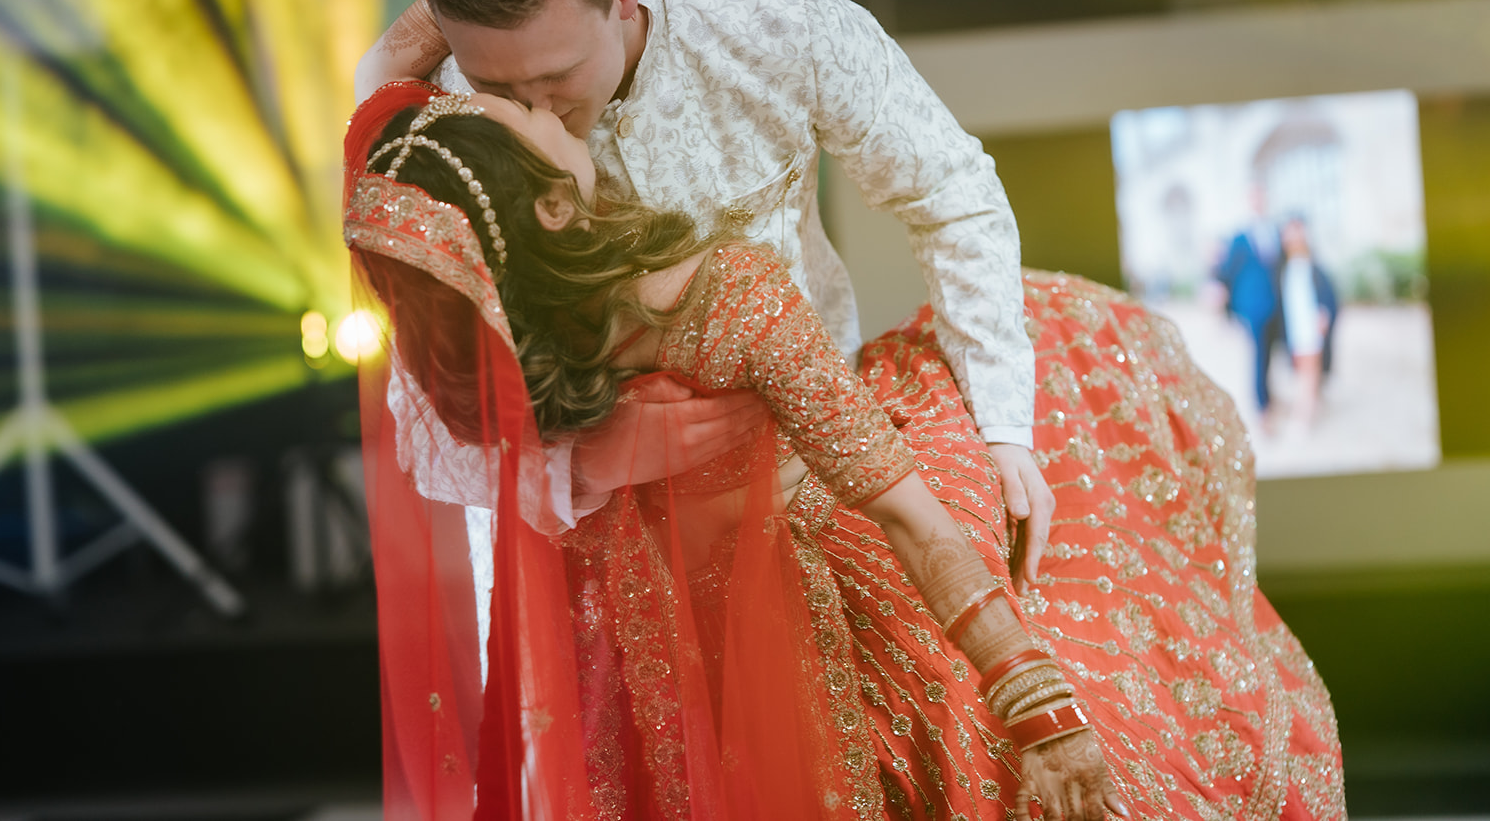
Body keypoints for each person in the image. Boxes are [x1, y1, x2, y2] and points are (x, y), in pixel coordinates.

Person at [344, 79, 1346, 821]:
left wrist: (580, 468)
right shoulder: (724, 295)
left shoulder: (496, 370)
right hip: (824, 587)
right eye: (522, 119)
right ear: (553, 207)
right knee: (1071, 345)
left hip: (645, 659)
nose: (539, 104)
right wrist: (1041, 703)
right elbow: (903, 510)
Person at [354, 0, 1056, 587]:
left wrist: (1004, 428)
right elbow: (429, 412)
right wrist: (578, 463)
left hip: (815, 474)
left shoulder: (769, 6)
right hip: (582, 546)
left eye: (558, 76)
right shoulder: (440, 117)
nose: (536, 114)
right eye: (498, 85)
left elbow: (949, 187)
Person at [1215, 184, 1281, 418]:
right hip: (1253, 308)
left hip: (1277, 305)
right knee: (1259, 355)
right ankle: (1262, 406)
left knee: (1272, 353)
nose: (1259, 202)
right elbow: (1226, 270)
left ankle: (1270, 395)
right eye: (1255, 198)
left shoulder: (1275, 231)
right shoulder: (1240, 237)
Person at [1276, 217, 1339, 429]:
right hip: (1294, 328)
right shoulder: (1283, 269)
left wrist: (1324, 314)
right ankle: (1311, 406)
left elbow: (1328, 296)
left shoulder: (1314, 267)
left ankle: (1303, 416)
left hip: (1311, 327)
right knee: (1302, 371)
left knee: (1309, 372)